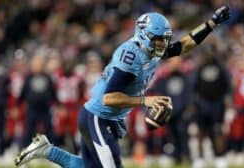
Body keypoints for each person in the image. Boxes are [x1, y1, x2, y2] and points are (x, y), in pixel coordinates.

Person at [15, 6, 230, 168]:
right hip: (97, 117)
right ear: (144, 36)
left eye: (164, 40)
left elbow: (185, 45)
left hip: (109, 118)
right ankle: (47, 149)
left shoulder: (151, 50)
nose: (163, 46)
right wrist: (147, 100)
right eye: (158, 41)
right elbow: (110, 98)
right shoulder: (131, 57)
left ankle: (47, 150)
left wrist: (211, 24)